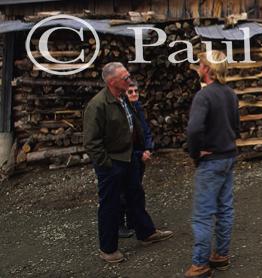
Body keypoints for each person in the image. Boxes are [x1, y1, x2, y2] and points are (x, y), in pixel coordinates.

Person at [83, 62, 173, 263]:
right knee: (110, 205)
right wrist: (107, 164)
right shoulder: (97, 105)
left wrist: (138, 151)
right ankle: (108, 249)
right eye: (125, 78)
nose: (129, 80)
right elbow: (91, 142)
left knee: (135, 196)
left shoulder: (124, 98)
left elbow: (135, 124)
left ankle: (146, 232)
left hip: (129, 157)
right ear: (112, 81)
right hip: (112, 162)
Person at [184, 50, 241, 278]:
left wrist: (195, 152)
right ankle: (221, 255)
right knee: (225, 208)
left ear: (207, 69)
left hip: (212, 160)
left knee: (203, 214)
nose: (198, 67)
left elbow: (194, 129)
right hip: (228, 156)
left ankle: (200, 265)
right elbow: (236, 127)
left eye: (200, 64)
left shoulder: (203, 96)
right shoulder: (230, 93)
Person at [119, 82, 155, 238]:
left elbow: (145, 130)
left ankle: (132, 221)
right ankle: (119, 224)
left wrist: (148, 148)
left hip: (140, 155)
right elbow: (125, 138)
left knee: (135, 188)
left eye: (135, 91)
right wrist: (139, 153)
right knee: (122, 192)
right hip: (129, 156)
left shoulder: (138, 108)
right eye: (130, 92)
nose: (134, 94)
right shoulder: (123, 111)